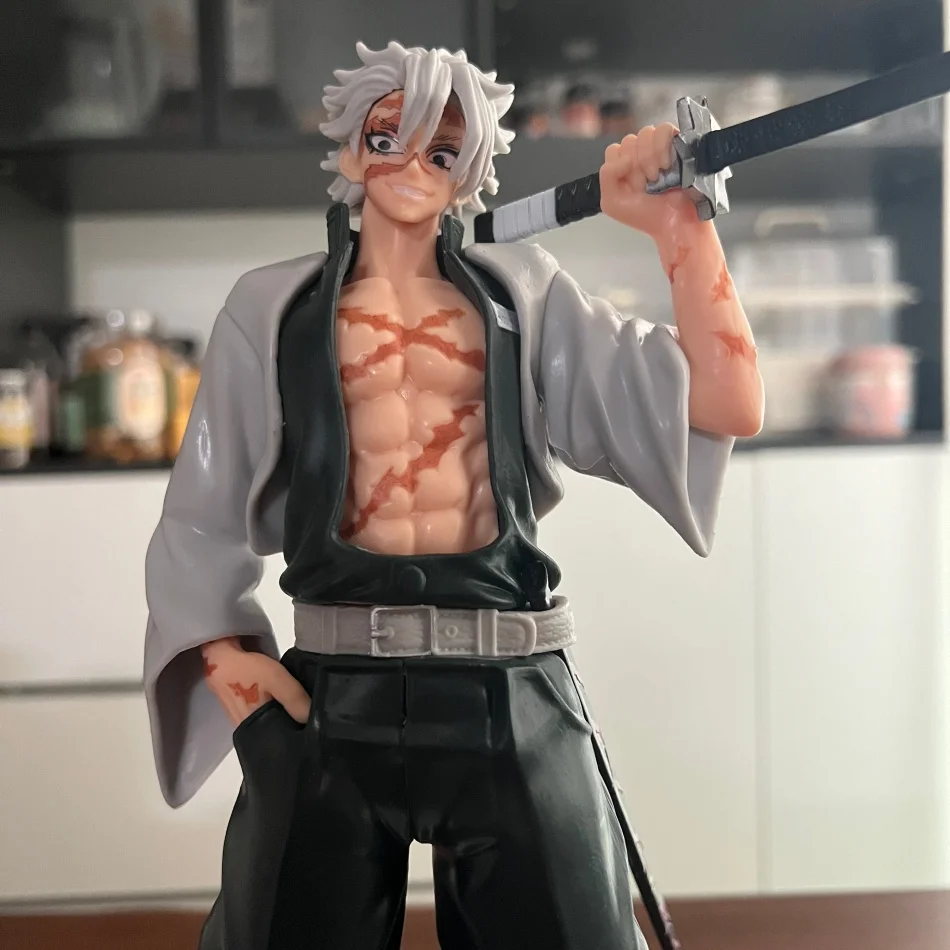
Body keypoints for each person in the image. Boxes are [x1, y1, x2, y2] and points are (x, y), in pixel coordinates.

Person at [143, 40, 763, 950]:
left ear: (469, 170)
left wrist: (680, 228)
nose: (410, 166)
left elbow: (726, 402)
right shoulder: (271, 308)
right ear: (350, 148)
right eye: (386, 138)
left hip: (509, 683)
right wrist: (234, 672)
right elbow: (200, 513)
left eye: (441, 150)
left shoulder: (528, 296)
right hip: (332, 698)